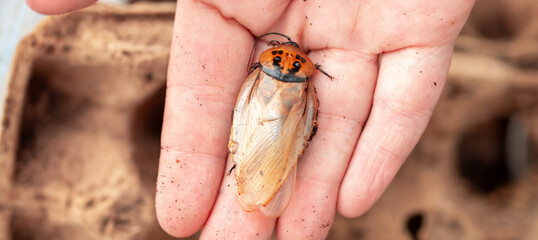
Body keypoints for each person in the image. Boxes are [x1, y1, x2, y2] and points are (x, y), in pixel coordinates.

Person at [27, 0, 476, 238]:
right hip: (285, 112)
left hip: (267, 111)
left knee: (257, 134)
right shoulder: (307, 83)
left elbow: (246, 106)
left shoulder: (266, 70)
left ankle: (255, 172)